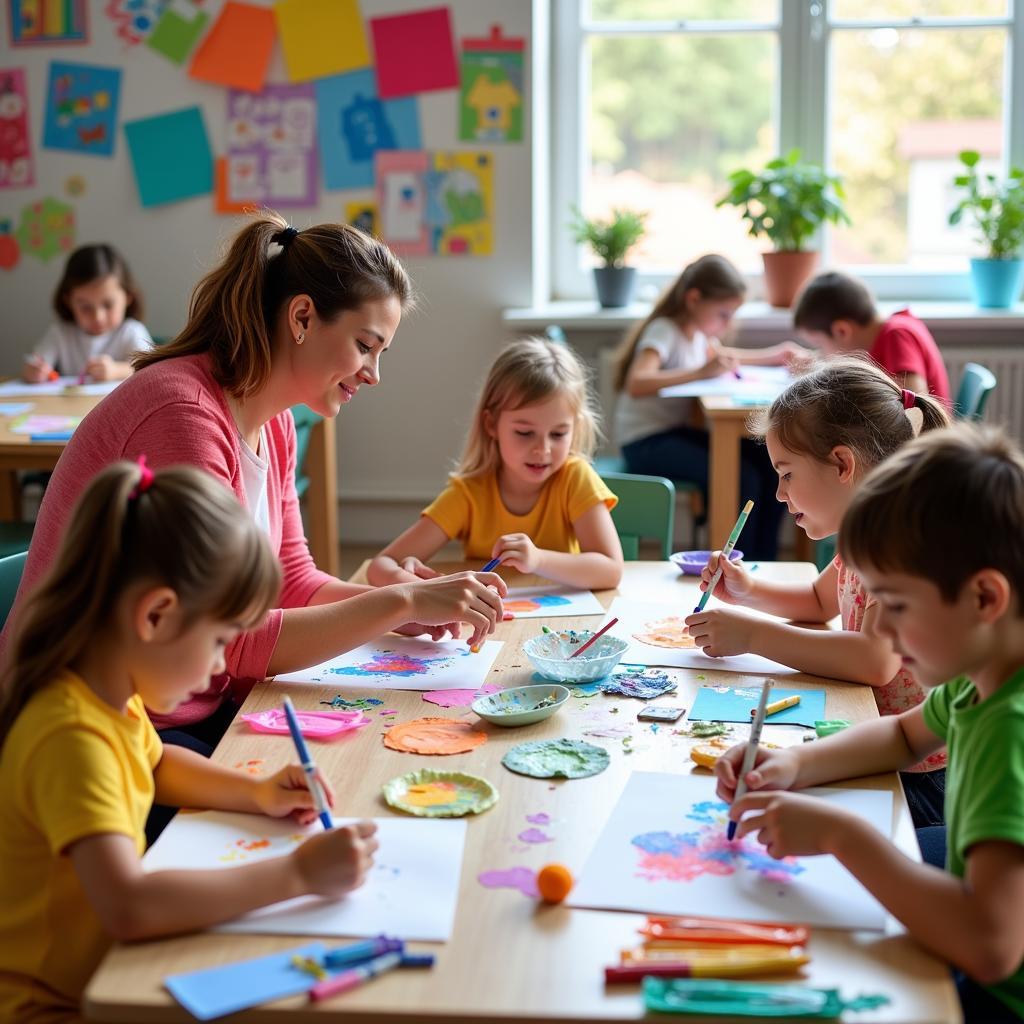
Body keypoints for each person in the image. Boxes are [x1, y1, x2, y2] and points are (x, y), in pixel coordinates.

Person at [2, 213, 507, 758]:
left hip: (176, 712)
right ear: (303, 317)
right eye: (365, 345)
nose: (373, 373)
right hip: (93, 737)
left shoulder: (276, 420)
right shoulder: (183, 415)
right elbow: (234, 639)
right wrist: (400, 603)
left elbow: (291, 581)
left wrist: (401, 607)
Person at [0, 460, 378, 1024]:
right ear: (155, 615)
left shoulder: (105, 689)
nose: (225, 661)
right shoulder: (69, 734)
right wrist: (297, 875)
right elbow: (128, 906)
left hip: (110, 971)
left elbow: (153, 765)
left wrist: (257, 793)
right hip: (54, 1004)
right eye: (221, 639)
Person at [715, 424, 1024, 1024]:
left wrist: (842, 837)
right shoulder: (983, 672)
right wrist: (795, 764)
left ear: (985, 599)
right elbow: (906, 733)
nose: (878, 633)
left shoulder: (1007, 725)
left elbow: (991, 947)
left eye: (898, 607)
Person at [686, 357, 950, 830]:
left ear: (842, 465)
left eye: (786, 474)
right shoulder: (861, 531)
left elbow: (874, 659)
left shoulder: (893, 542)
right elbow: (819, 599)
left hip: (925, 780)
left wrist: (753, 636)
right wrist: (747, 592)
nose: (780, 495)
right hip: (883, 740)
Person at [368, 337, 623, 591]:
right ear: (491, 424)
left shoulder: (575, 479)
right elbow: (381, 565)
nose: (543, 449)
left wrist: (538, 559)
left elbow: (610, 570)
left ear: (575, 428)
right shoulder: (469, 494)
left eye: (558, 434)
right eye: (524, 433)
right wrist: (415, 585)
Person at [612, 254, 803, 560]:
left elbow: (725, 359)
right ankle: (741, 562)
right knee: (744, 476)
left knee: (766, 460)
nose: (727, 324)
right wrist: (700, 373)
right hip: (645, 443)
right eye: (723, 314)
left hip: (671, 434)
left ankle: (766, 561)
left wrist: (775, 355)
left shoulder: (698, 334)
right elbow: (638, 381)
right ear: (693, 299)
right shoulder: (665, 330)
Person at [792, 271, 950, 403]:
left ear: (842, 331)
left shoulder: (898, 335)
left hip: (923, 438)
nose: (822, 354)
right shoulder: (889, 332)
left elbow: (914, 405)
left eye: (820, 344)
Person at [23, 243, 152, 382]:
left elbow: (150, 369)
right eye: (85, 307)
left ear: (128, 297)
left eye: (108, 305)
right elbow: (35, 364)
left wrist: (116, 371)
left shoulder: (131, 331)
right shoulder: (60, 333)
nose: (98, 317)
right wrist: (33, 372)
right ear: (68, 301)